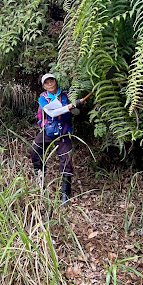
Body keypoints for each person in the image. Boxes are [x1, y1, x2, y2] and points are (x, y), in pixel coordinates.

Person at [30, 73, 83, 204]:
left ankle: (65, 194)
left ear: (56, 81)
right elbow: (52, 112)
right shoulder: (42, 98)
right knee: (35, 150)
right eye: (47, 83)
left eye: (51, 81)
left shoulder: (66, 95)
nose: (50, 84)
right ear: (44, 86)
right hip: (48, 130)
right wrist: (70, 106)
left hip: (63, 131)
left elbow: (75, 113)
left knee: (67, 160)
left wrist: (77, 106)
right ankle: (39, 179)